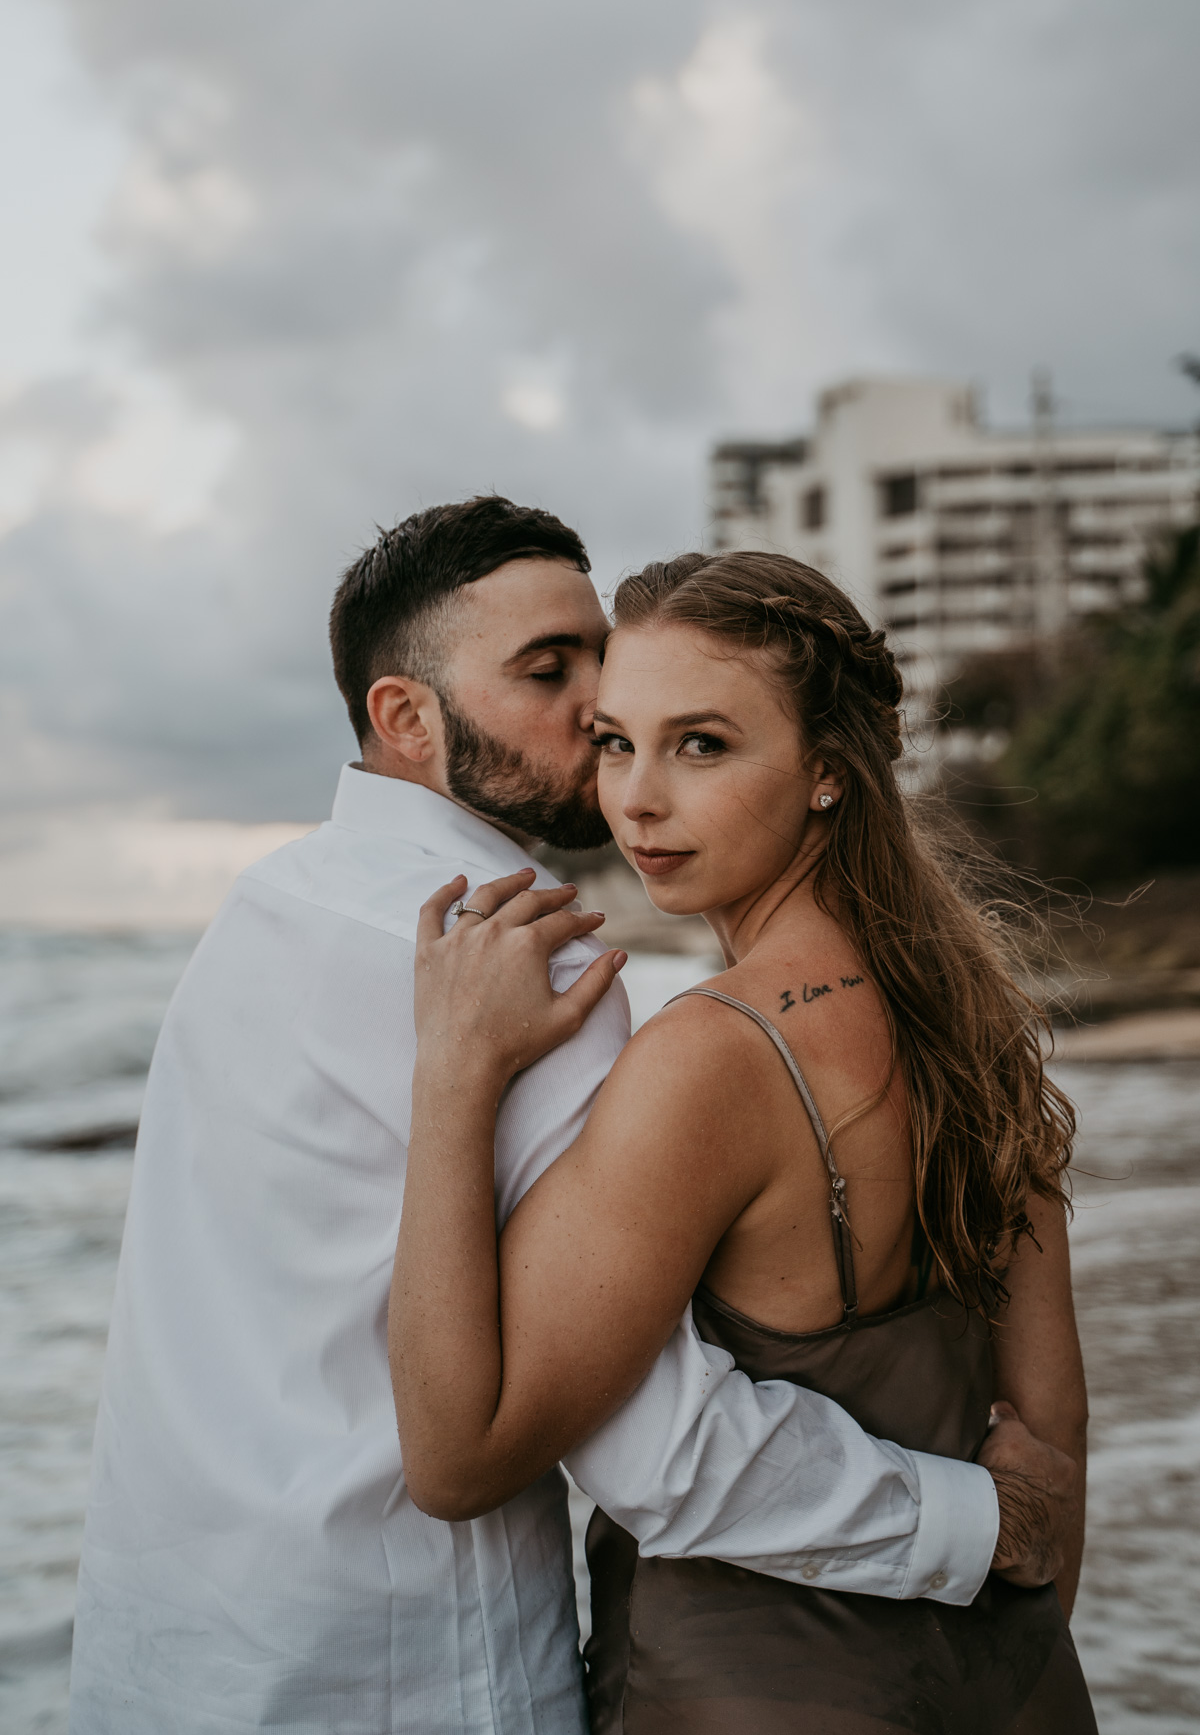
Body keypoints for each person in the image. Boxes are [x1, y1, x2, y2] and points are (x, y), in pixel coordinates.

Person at [69, 501, 1075, 1735]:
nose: (615, 753)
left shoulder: (266, 912)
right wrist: (993, 1527)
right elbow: (666, 1445)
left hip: (187, 1655)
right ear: (406, 718)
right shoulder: (533, 959)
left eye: (689, 736)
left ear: (824, 768)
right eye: (566, 687)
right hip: (412, 1670)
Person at [392, 547, 1096, 1732]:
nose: (638, 799)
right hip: (1007, 1689)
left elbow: (458, 1456)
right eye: (616, 741)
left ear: (827, 774)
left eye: (702, 745)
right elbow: (1051, 1432)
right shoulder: (971, 1022)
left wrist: (454, 1080)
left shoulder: (710, 1058)